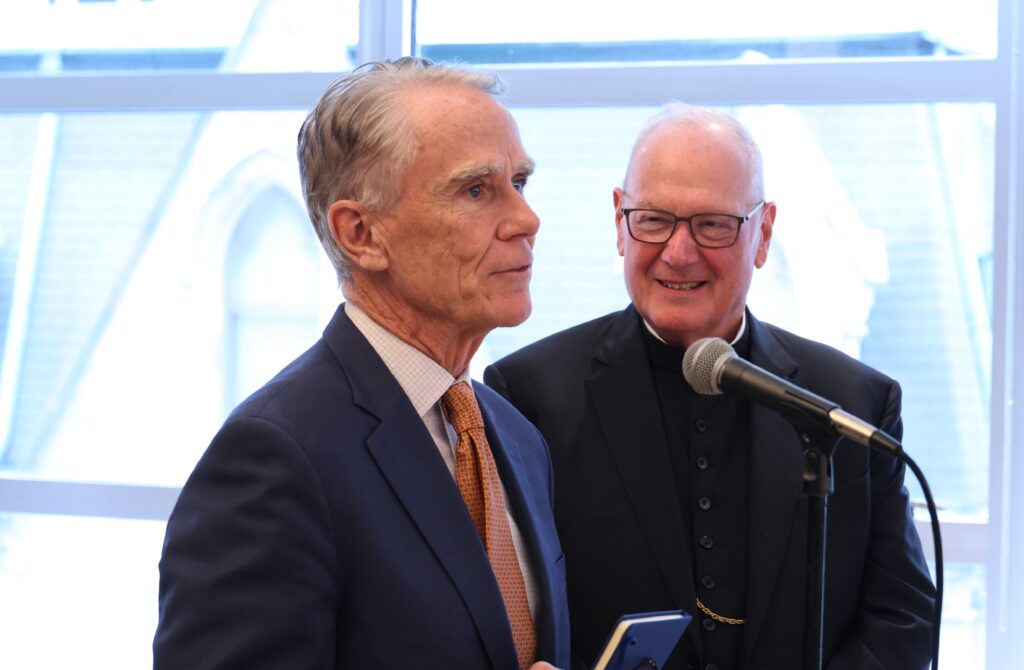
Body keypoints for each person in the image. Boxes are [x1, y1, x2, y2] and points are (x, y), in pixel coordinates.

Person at [484, 104, 936, 670]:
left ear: (764, 233)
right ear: (619, 221)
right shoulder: (528, 395)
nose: (678, 252)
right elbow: (511, 621)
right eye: (653, 219)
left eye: (713, 224)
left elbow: (902, 617)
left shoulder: (851, 401)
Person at [153, 58, 569, 670]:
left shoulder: (516, 438)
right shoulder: (274, 458)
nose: (525, 220)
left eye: (521, 183)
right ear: (361, 235)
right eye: (476, 190)